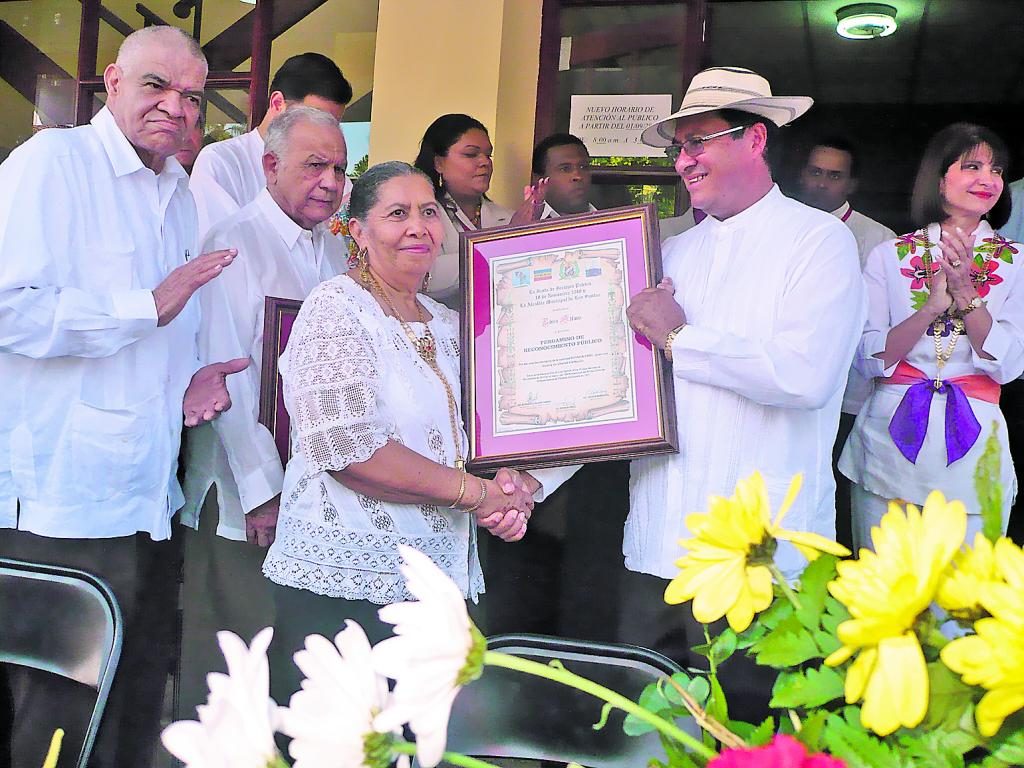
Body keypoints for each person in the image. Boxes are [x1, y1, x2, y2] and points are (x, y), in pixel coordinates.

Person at [0, 26, 243, 768]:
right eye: (156, 86)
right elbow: (11, 309)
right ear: (111, 81)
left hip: (147, 497)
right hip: (63, 500)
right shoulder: (55, 163)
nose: (176, 107)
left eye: (192, 96)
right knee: (57, 722)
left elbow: (159, 340)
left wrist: (189, 381)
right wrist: (147, 306)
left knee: (132, 706)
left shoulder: (178, 192)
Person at [260, 161, 572, 704]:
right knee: (347, 739)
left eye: (428, 212)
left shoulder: (448, 323)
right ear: (358, 231)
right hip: (347, 590)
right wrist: (478, 495)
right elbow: (350, 452)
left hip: (437, 586)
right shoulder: (335, 309)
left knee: (427, 737)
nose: (418, 227)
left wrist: (515, 486)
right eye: (397, 213)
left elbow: (482, 432)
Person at [620, 67, 865, 719]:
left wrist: (680, 339)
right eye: (679, 147)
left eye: (697, 141)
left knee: (753, 738)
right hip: (659, 547)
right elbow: (624, 390)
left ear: (755, 139)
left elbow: (804, 376)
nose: (683, 160)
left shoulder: (820, 242)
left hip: (763, 559)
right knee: (648, 735)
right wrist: (526, 480)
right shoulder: (670, 252)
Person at [177, 106, 349, 720]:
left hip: (314, 498)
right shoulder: (232, 243)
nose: (330, 182)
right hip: (243, 501)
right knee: (230, 671)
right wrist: (262, 492)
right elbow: (225, 376)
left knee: (291, 675)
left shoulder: (336, 252)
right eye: (314, 166)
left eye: (339, 169)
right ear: (270, 166)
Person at [839, 123, 1024, 551]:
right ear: (939, 179)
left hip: (976, 447)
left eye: (996, 170)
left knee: (966, 588)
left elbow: (1010, 365)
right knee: (881, 582)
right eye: (972, 166)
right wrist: (930, 309)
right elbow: (867, 358)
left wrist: (967, 295)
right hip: (886, 443)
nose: (988, 178)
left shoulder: (1017, 262)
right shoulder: (889, 255)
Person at [797, 135, 896, 548]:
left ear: (851, 184)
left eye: (834, 176)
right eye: (816, 172)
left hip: (850, 398)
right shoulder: (781, 229)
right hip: (788, 392)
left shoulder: (880, 240)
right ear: (801, 175)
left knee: (838, 497)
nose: (822, 183)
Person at [189, 52, 352, 242]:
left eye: (333, 123)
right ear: (277, 103)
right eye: (314, 117)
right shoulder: (220, 162)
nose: (325, 131)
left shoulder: (334, 178)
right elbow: (227, 245)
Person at [413, 113, 547, 307]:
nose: (485, 162)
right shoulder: (416, 218)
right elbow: (424, 276)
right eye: (471, 154)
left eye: (488, 155)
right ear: (438, 163)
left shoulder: (507, 217)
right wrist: (505, 241)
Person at [532, 133, 595, 218]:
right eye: (565, 169)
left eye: (583, 167)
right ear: (540, 180)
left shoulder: (609, 219)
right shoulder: (525, 223)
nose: (578, 176)